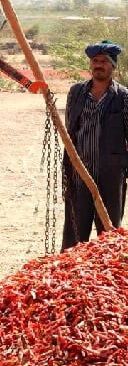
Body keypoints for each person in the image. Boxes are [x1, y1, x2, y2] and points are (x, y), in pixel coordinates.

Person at [62, 39, 127, 250]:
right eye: (95, 61)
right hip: (79, 172)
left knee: (108, 232)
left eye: (104, 61)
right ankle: (70, 271)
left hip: (110, 174)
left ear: (113, 66)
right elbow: (70, 128)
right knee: (75, 230)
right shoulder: (76, 92)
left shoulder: (123, 97)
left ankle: (106, 269)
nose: (98, 65)